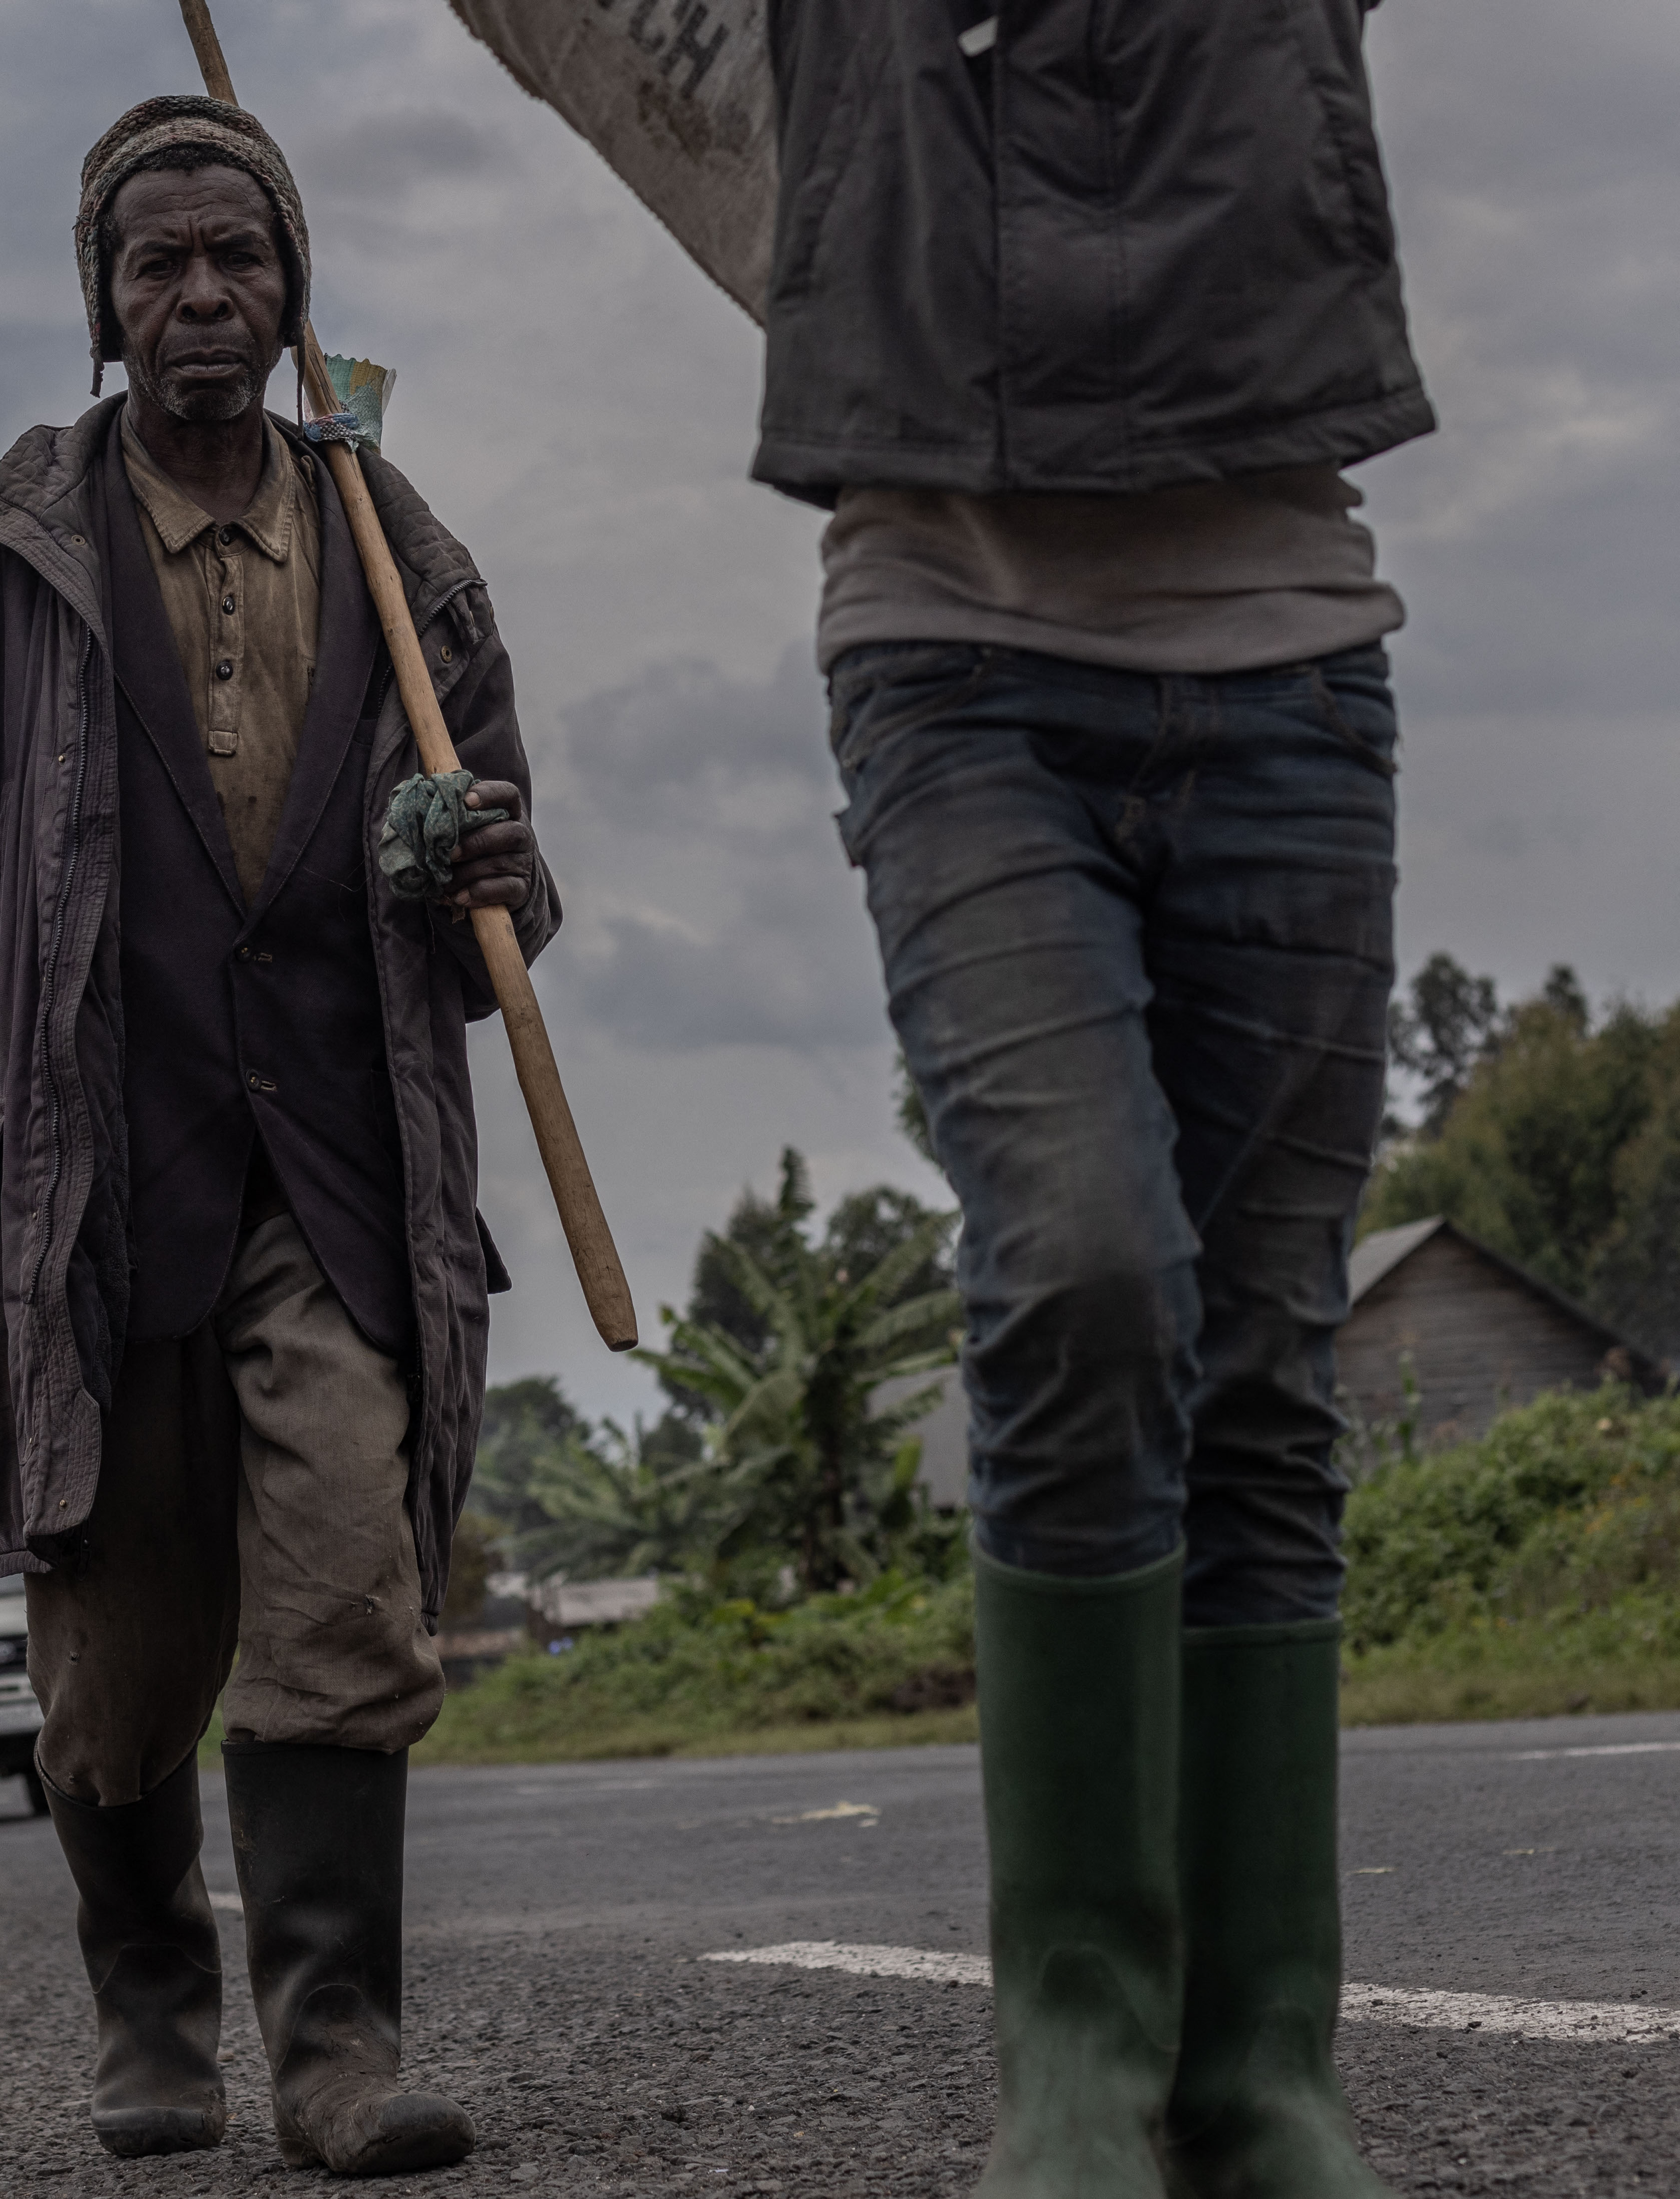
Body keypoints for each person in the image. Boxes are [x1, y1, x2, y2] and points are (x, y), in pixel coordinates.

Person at [0, 100, 554, 2176]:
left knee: (346, 1591)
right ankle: (151, 2008)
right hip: (87, 1191)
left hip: (337, 1168)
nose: (204, 295)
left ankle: (332, 2047)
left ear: (294, 285)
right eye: (160, 267)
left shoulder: (404, 553)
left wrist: (489, 856)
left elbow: (504, 883)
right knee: (121, 1661)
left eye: (240, 257)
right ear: (101, 305)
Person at [754, 5, 1431, 2192]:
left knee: (1258, 1350)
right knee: (1073, 1263)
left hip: (1285, 656)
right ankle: (1070, 2044)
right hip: (951, 660)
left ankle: (1253, 2075)